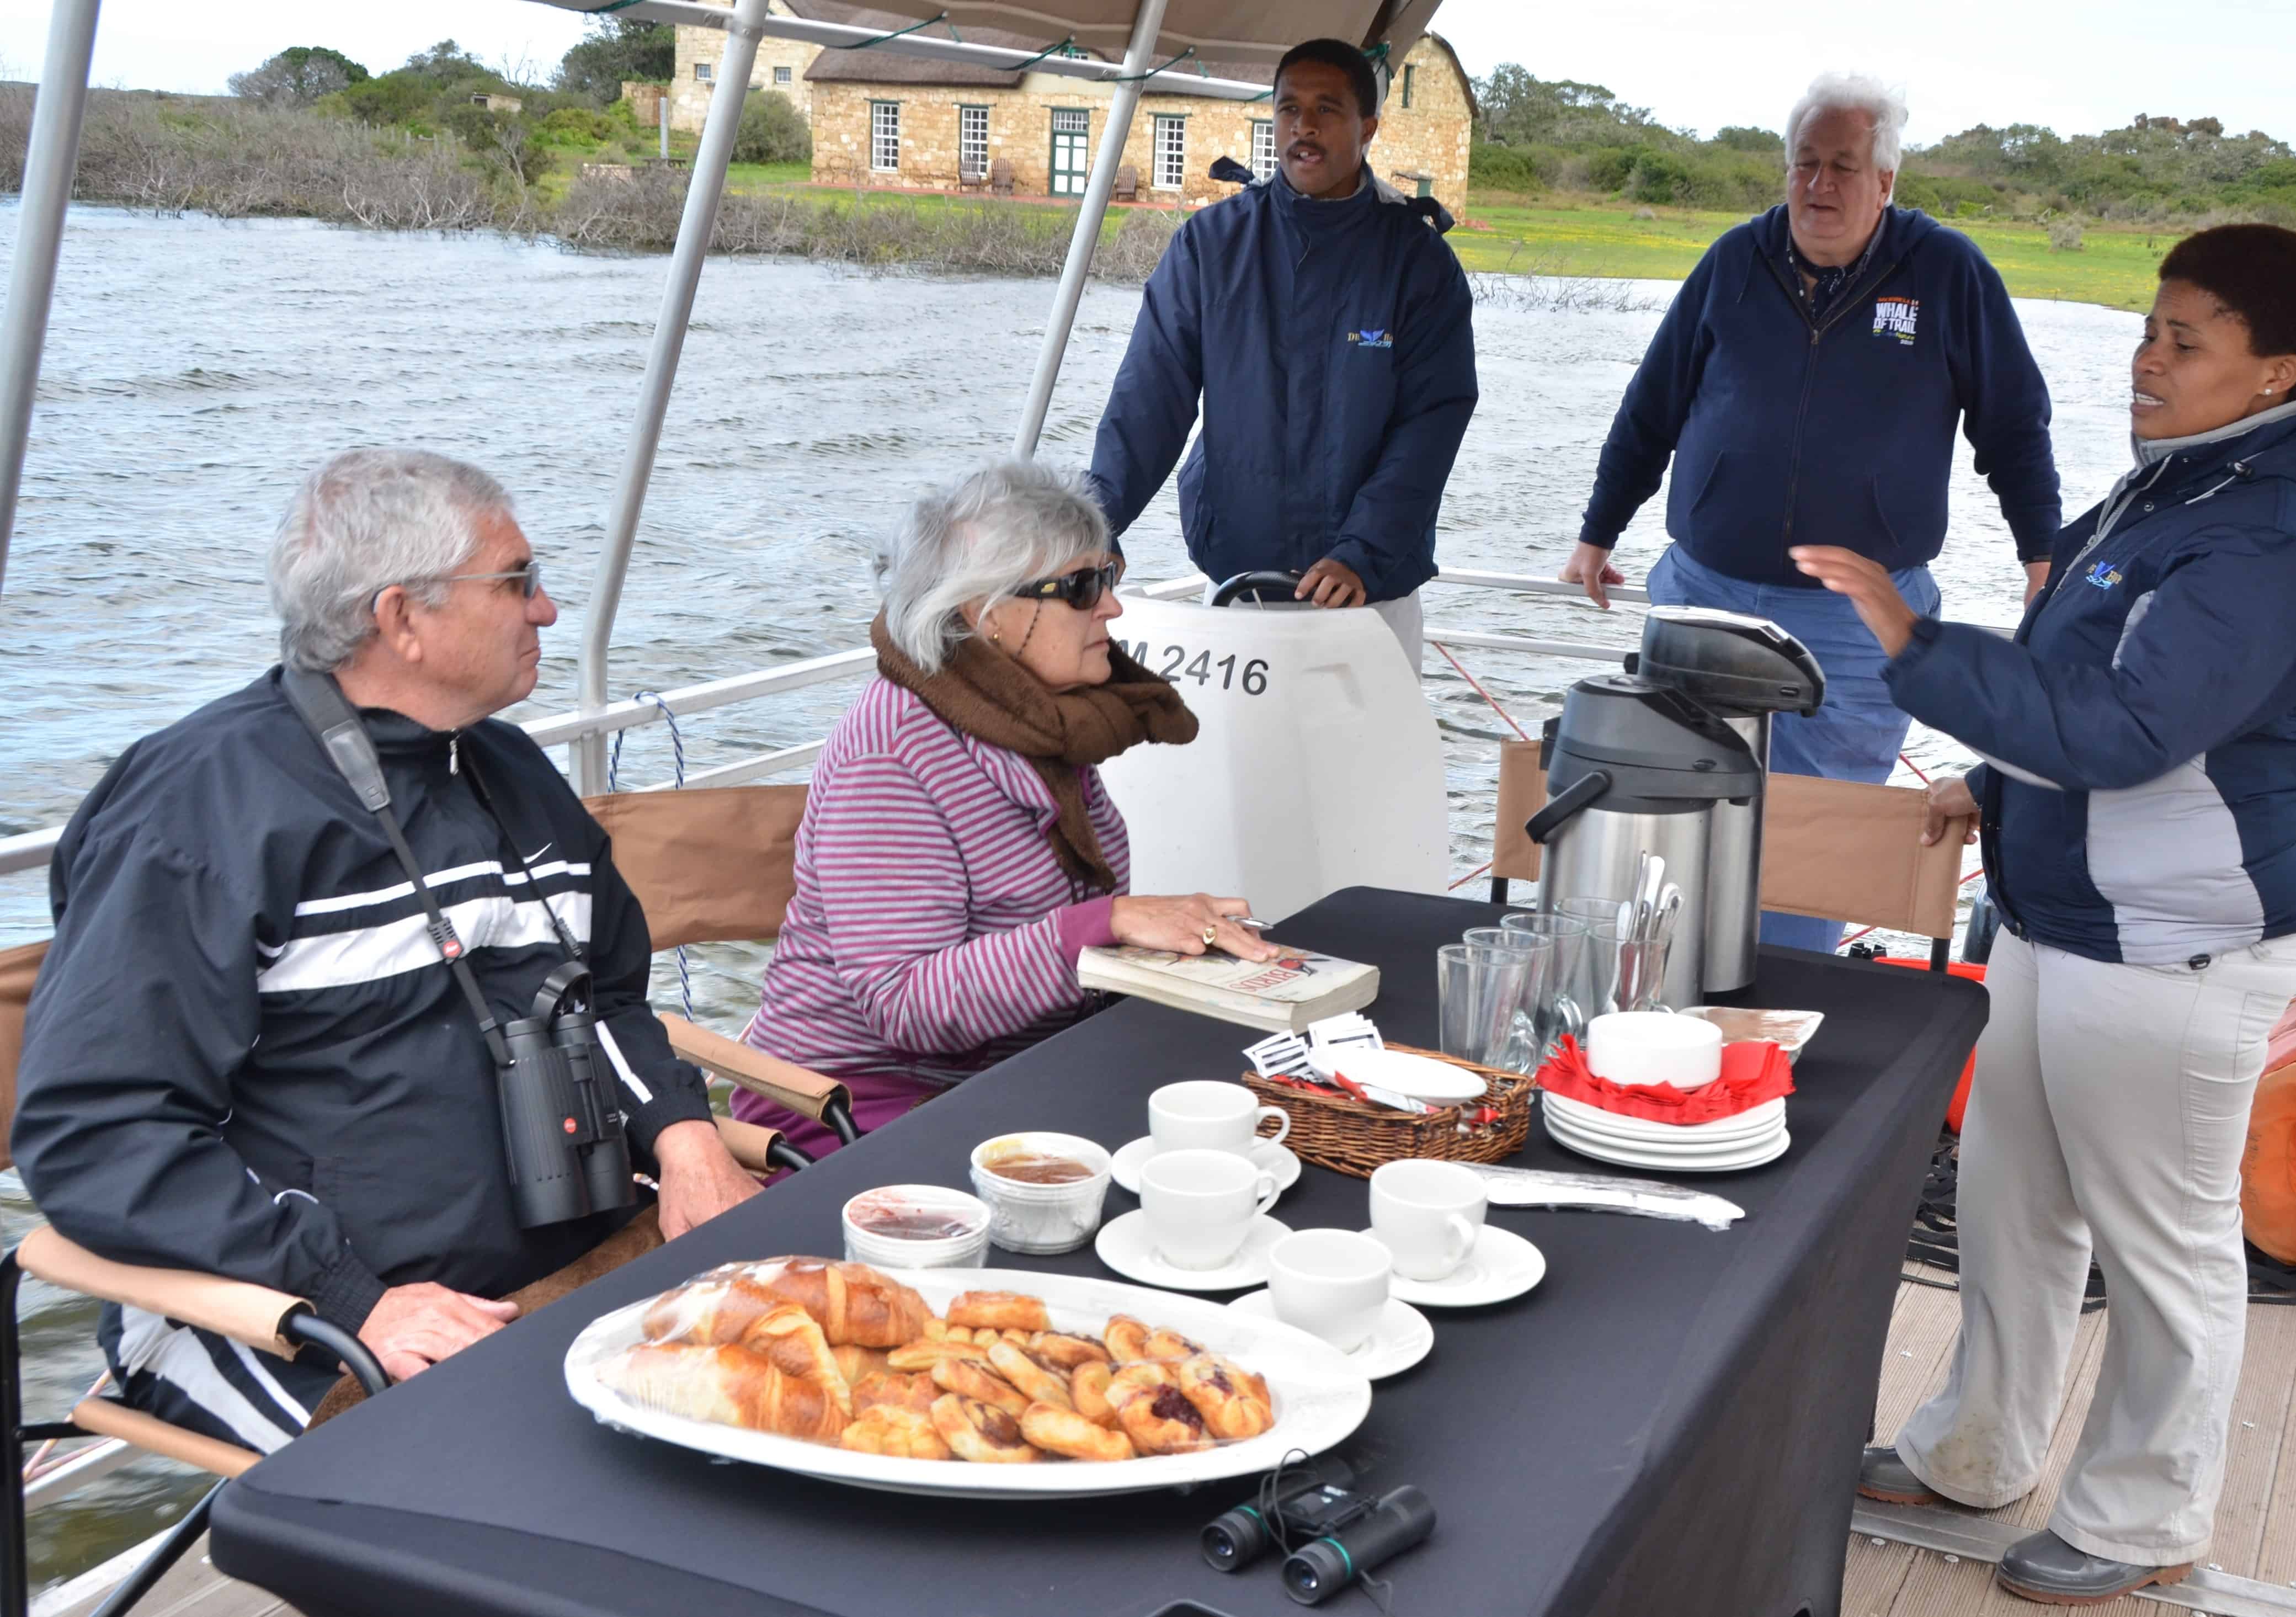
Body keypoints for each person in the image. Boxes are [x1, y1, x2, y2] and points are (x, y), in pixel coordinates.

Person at [1797, 226, 2296, 1605]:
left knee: (2160, 1244)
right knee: (2012, 1205)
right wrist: (1986, 784)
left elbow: (2128, 729)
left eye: (2186, 340)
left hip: (2173, 937)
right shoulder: (2171, 488)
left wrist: (1911, 644)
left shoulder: (2270, 534)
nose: (2146, 356)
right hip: (2053, 911)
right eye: (2148, 325)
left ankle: (2139, 1516)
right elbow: (2072, 676)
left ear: (2272, 371)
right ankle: (1971, 1448)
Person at [12, 450, 763, 1450]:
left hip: (576, 1251)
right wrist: (349, 1297)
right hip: (302, 1317)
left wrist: (683, 1135)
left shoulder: (506, 765)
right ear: (402, 619)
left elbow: (609, 997)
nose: (545, 612)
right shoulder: (197, 814)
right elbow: (94, 1131)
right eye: (518, 582)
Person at [1558, 71, 2061, 953]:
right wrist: (1597, 532)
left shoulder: (1949, 274)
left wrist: (2042, 559)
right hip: (1703, 595)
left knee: (1817, 835)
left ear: (1887, 182)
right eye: (1805, 164)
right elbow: (1651, 408)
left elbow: (2014, 429)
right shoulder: (1732, 262)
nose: (1820, 186)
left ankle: (1784, 1027)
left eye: (1843, 166)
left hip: (1858, 618)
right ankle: (1665, 1005)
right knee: (1679, 814)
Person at [736, 460, 1278, 1154]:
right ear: (984, 612)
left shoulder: (1042, 722)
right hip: (861, 1101)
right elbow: (907, 1004)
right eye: (1083, 587)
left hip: (1015, 1071)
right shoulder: (894, 751)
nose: (1111, 606)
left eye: (1107, 575)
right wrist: (1106, 923)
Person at [1086, 36, 1478, 672]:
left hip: (1369, 596)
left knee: (1362, 774)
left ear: (1368, 127)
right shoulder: (1209, 247)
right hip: (1240, 581)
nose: (1305, 125)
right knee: (1238, 772)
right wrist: (1094, 523)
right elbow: (1149, 400)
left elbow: (1433, 423)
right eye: (1290, 107)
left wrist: (1365, 551)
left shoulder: (1418, 262)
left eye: (1328, 109)